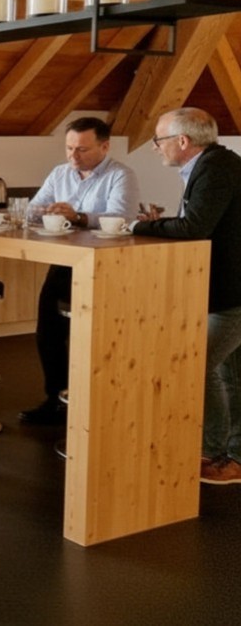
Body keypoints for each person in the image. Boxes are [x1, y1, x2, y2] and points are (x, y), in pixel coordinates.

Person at [133, 107, 241, 485]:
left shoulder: (216, 167)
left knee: (202, 366)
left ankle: (216, 455)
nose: (155, 148)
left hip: (232, 292)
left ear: (183, 141)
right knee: (229, 372)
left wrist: (141, 226)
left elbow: (194, 227)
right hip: (229, 289)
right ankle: (232, 456)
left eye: (159, 140)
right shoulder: (216, 163)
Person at [18, 117, 140, 425]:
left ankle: (100, 402)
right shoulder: (60, 173)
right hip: (65, 259)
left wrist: (79, 216)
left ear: (104, 146)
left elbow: (121, 217)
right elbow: (34, 207)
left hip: (108, 265)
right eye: (69, 148)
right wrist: (44, 211)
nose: (74, 156)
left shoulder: (120, 175)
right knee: (48, 330)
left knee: (97, 336)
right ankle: (55, 398)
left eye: (82, 150)